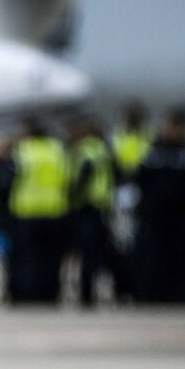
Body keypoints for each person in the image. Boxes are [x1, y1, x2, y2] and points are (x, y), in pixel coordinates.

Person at [7, 116, 71, 303]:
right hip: (54, 210)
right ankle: (50, 294)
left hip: (27, 212)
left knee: (28, 257)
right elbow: (67, 178)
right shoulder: (58, 151)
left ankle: (28, 295)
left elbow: (11, 178)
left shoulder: (23, 151)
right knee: (52, 258)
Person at [132, 108, 185, 302]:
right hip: (154, 215)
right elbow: (140, 178)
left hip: (178, 217)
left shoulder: (181, 153)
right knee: (151, 256)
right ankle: (149, 294)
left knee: (177, 257)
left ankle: (176, 294)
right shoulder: (154, 152)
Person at [66, 115, 121, 306]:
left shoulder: (86, 149)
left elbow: (83, 177)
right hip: (102, 207)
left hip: (87, 207)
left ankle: (86, 293)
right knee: (98, 252)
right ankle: (102, 291)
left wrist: (73, 198)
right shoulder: (104, 150)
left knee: (87, 253)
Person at [112, 100, 152, 181]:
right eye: (131, 114)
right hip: (120, 174)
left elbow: (147, 152)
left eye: (136, 115)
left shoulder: (147, 132)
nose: (133, 117)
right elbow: (116, 151)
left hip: (143, 175)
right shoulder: (119, 132)